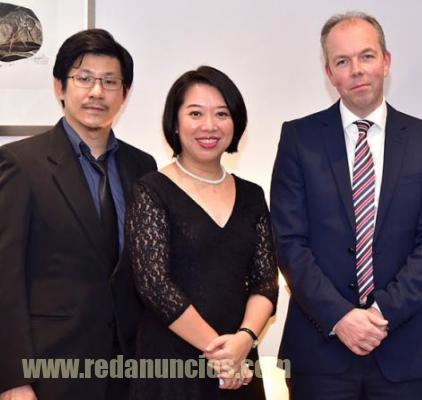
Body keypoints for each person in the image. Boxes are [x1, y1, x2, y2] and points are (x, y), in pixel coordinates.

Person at [270, 11, 422, 399]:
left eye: (366, 56)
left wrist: (380, 314)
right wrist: (340, 316)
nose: (356, 70)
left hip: (403, 350)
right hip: (320, 352)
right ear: (329, 73)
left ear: (386, 61)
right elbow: (288, 242)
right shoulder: (299, 139)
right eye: (342, 61)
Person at [0, 29, 156, 399]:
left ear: (124, 94)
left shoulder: (142, 167)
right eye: (84, 78)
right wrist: (12, 379)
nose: (97, 92)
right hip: (50, 369)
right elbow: (5, 276)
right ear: (60, 87)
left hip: (128, 370)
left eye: (110, 81)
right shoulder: (21, 163)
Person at [125, 65, 278, 399]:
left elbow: (265, 281)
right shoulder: (151, 190)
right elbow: (154, 285)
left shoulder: (252, 195)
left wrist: (245, 339)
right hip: (173, 366)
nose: (209, 125)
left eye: (222, 113)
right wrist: (221, 355)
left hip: (239, 361)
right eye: (195, 113)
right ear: (175, 122)